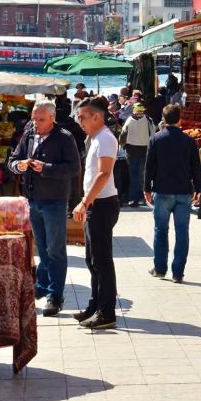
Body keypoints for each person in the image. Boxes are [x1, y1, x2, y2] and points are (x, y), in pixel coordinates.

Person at [9, 100, 80, 317]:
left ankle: (55, 295)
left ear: (52, 118)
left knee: (55, 249)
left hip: (55, 201)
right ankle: (43, 286)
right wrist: (18, 166)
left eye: (40, 119)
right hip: (33, 200)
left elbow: (74, 167)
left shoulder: (64, 138)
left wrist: (47, 169)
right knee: (41, 247)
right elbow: (12, 160)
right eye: (34, 118)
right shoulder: (29, 135)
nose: (35, 123)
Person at [73, 97, 120, 329]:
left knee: (102, 261)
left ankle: (107, 311)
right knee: (92, 260)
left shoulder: (105, 139)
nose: (79, 121)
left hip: (102, 205)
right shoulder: (94, 138)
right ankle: (96, 304)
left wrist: (84, 202)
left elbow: (104, 173)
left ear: (96, 116)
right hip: (95, 204)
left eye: (82, 117)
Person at [143, 104, 199, 283]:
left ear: (163, 119)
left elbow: (149, 166)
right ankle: (178, 272)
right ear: (180, 119)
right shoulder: (189, 141)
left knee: (161, 230)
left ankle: (160, 268)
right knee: (182, 232)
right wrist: (198, 188)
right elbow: (196, 167)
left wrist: (146, 188)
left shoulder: (156, 139)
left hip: (162, 190)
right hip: (183, 191)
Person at [120, 103, 155, 208]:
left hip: (134, 150)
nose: (139, 113)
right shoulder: (148, 120)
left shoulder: (129, 120)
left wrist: (123, 146)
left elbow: (122, 137)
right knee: (141, 174)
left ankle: (135, 198)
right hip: (141, 150)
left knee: (136, 174)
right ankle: (140, 198)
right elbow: (153, 134)